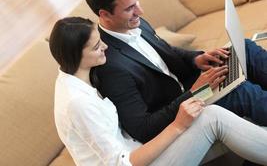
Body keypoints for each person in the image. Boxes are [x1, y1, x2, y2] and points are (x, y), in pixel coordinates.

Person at [49, 17, 267, 166]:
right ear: (76, 55)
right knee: (213, 118)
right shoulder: (77, 102)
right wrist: (178, 125)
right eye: (96, 47)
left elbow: (167, 53)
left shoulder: (79, 75)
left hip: (143, 147)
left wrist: (196, 60)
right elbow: (123, 162)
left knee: (241, 51)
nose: (105, 47)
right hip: (139, 160)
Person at [84, 0, 267, 143]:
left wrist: (196, 59)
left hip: (189, 86)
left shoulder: (134, 23)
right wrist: (196, 92)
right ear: (105, 15)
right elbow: (143, 129)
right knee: (241, 92)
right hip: (180, 108)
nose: (140, 11)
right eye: (130, 8)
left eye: (137, 1)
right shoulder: (110, 65)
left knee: (244, 48)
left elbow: (165, 51)